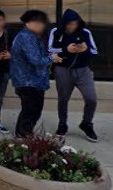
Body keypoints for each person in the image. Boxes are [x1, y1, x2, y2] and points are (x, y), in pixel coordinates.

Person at [48, 9, 99, 142]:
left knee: (91, 98)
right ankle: (62, 124)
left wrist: (85, 49)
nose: (71, 26)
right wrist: (66, 49)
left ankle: (86, 123)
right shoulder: (56, 32)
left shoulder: (85, 32)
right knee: (63, 99)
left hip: (82, 70)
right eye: (69, 24)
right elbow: (49, 50)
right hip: (63, 70)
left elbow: (95, 51)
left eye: (74, 24)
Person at [9, 10, 62, 138]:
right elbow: (35, 60)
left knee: (28, 111)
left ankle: (22, 136)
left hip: (29, 81)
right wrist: (52, 59)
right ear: (32, 23)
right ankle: (24, 138)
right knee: (31, 112)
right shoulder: (27, 37)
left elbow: (36, 57)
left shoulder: (28, 36)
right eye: (42, 23)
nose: (43, 27)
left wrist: (49, 56)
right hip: (29, 82)